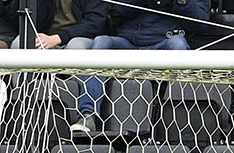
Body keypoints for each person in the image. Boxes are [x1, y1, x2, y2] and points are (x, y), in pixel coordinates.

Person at [70, 0, 210, 134]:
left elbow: (201, 24)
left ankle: (177, 118)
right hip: (129, 43)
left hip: (164, 43)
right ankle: (87, 115)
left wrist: (182, 2)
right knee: (101, 41)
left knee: (178, 44)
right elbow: (121, 10)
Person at [9, 0, 107, 50]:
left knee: (76, 45)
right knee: (20, 42)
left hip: (80, 38)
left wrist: (58, 38)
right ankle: (25, 88)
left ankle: (77, 89)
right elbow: (23, 22)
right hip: (47, 38)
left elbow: (94, 23)